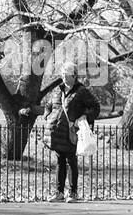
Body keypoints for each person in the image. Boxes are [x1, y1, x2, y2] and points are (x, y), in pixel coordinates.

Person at [20, 66, 100, 203]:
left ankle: (73, 193)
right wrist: (47, 113)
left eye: (66, 74)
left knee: (71, 161)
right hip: (57, 132)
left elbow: (95, 108)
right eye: (62, 74)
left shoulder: (82, 92)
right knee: (60, 162)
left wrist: (84, 117)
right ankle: (59, 192)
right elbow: (49, 104)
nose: (63, 77)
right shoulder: (58, 90)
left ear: (74, 76)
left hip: (71, 132)